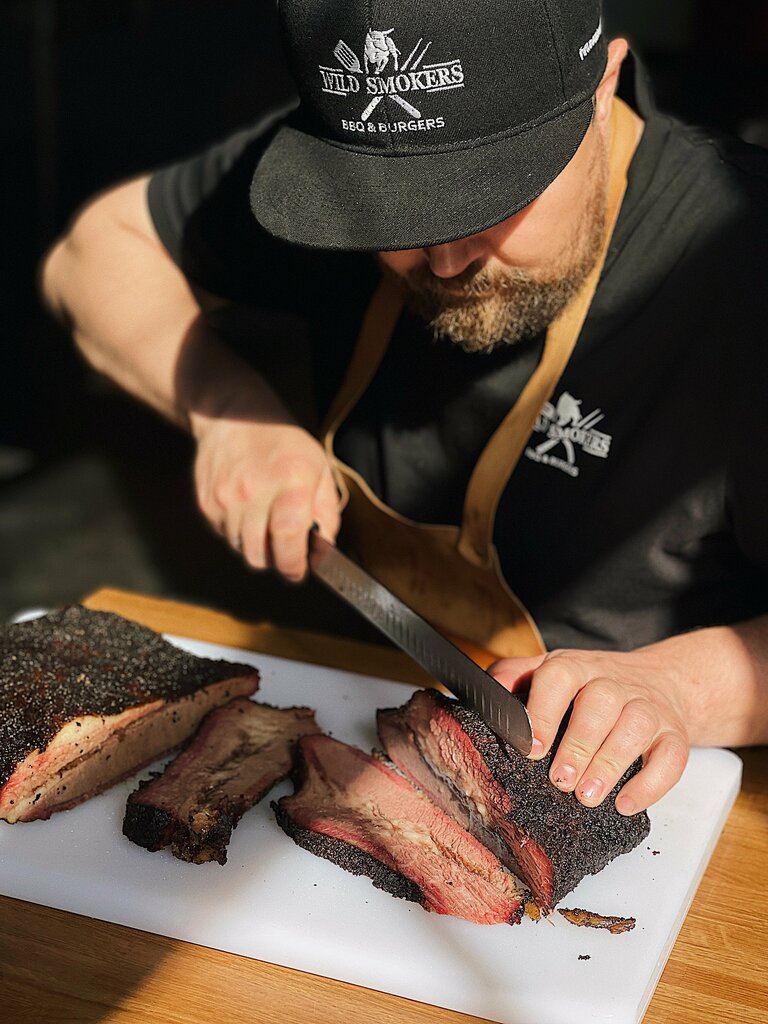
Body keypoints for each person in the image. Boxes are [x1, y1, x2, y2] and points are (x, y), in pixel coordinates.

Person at [41, 0, 768, 818]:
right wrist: (229, 410)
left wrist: (683, 686)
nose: (446, 259)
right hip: (366, 734)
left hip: (659, 798)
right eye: (395, 213)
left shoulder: (739, 264)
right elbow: (93, 252)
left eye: (488, 196)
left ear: (601, 86)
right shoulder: (352, 149)